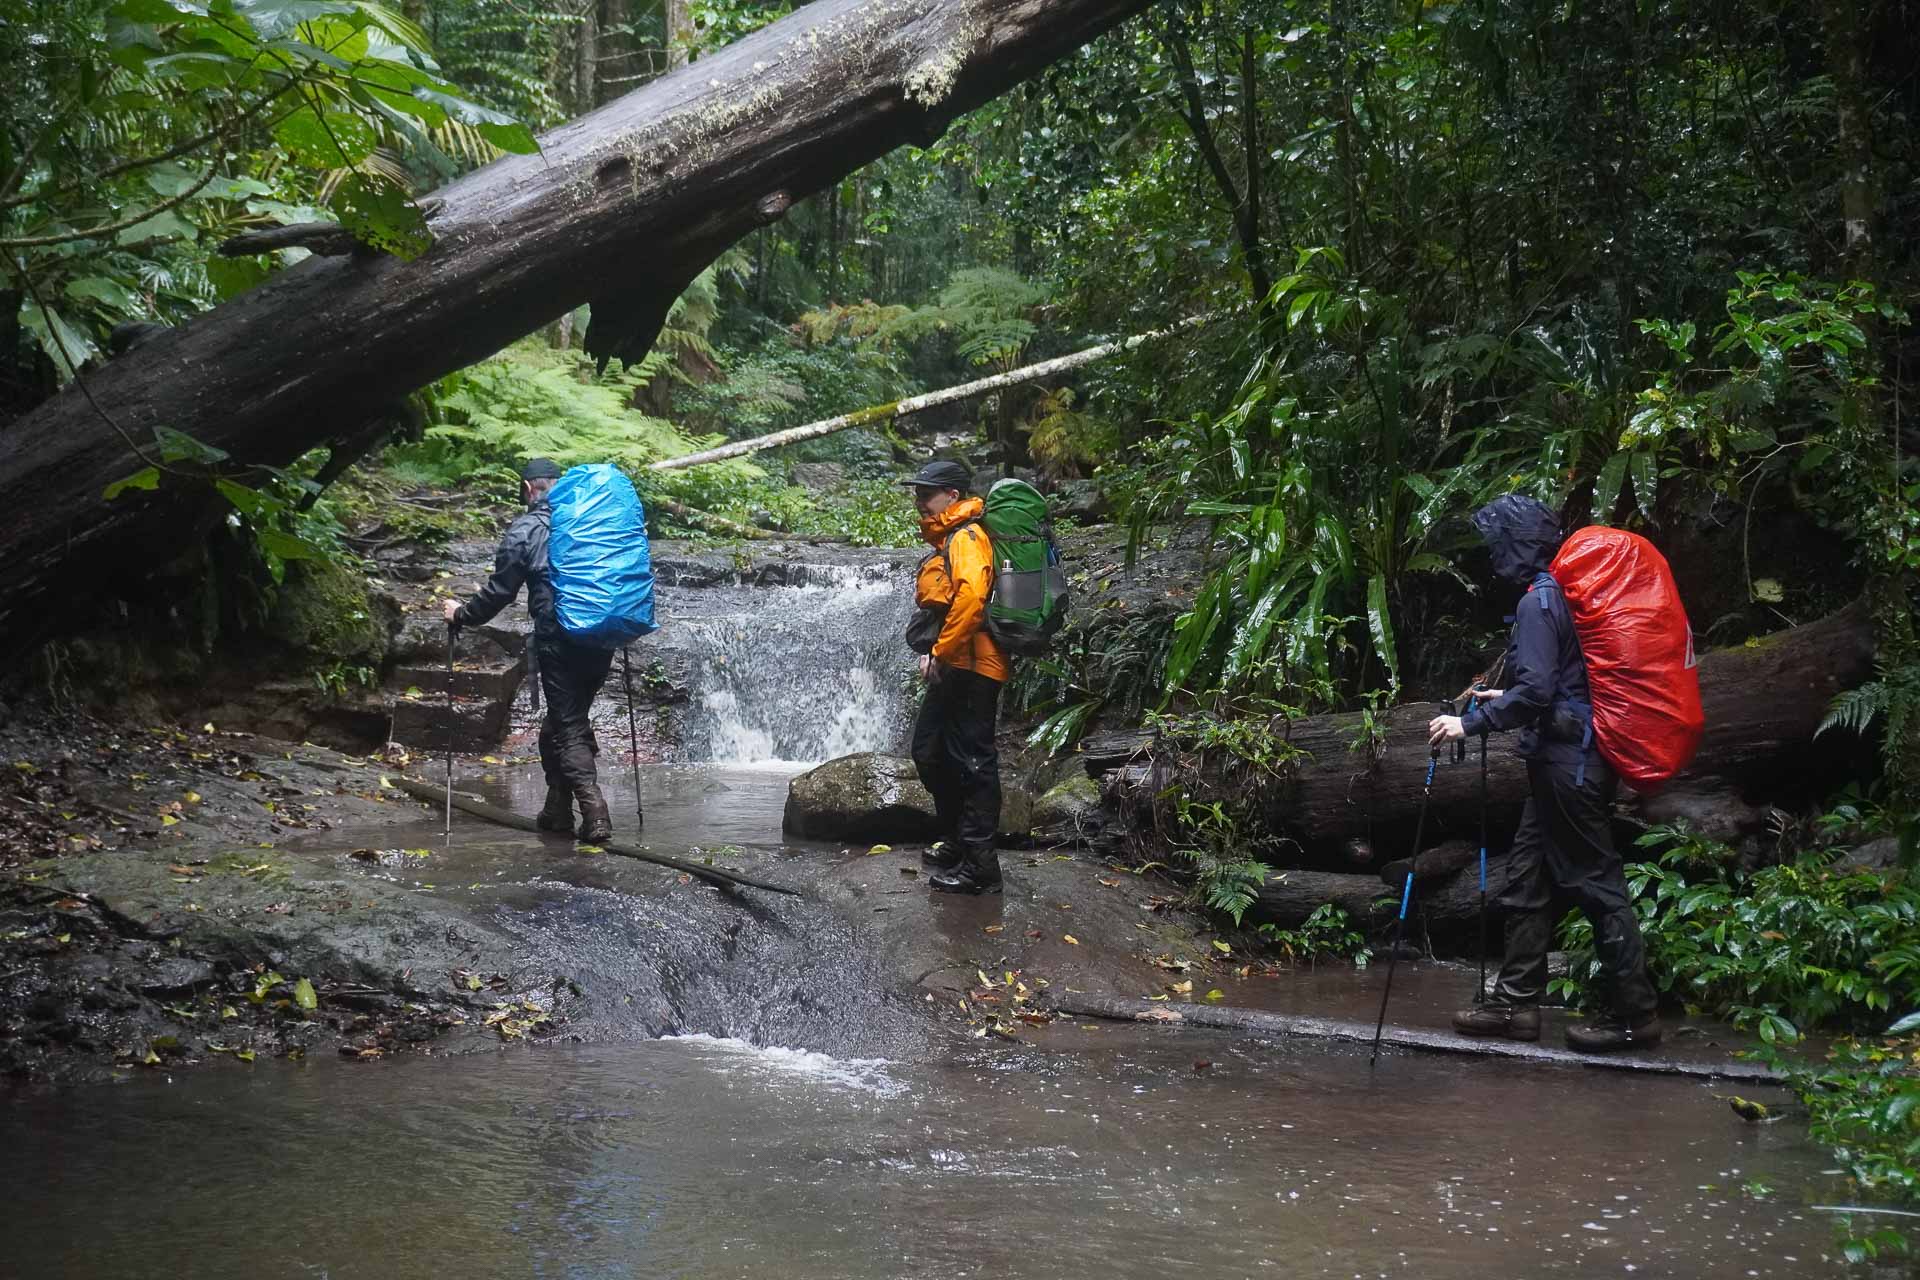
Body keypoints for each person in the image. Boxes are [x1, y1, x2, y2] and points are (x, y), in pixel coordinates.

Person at [1428, 494, 1661, 1053]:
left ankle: (1636, 1016)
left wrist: (1472, 723)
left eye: (1496, 546)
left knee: (1597, 885)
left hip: (1569, 767)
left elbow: (1537, 693)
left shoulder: (1540, 601)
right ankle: (1516, 1006)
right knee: (1526, 880)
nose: (1491, 559)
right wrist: (1504, 697)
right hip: (1563, 759)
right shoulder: (1561, 597)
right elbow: (1559, 684)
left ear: (1515, 546)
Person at [443, 458, 614, 844]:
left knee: (567, 726)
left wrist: (461, 614)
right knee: (563, 720)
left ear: (527, 488)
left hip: (558, 639)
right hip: (601, 637)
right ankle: (556, 810)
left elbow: (499, 593)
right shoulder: (591, 521)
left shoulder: (527, 529)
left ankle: (595, 811)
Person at [900, 459, 1007, 895]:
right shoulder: (950, 536)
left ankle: (982, 868)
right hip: (958, 663)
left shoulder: (967, 536)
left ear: (954, 497)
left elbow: (972, 598)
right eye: (918, 493)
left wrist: (940, 655)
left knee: (974, 763)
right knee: (929, 751)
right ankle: (960, 841)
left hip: (975, 666)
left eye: (928, 493)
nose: (920, 501)